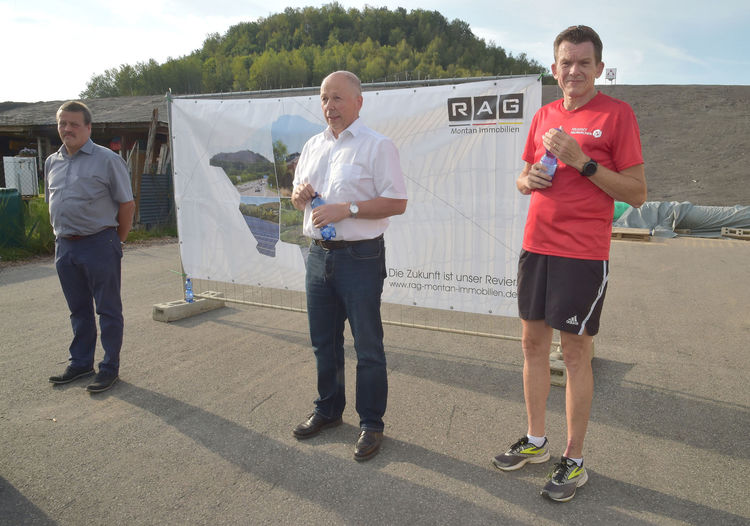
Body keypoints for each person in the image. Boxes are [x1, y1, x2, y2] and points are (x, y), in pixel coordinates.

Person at [491, 26, 646, 502]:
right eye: (565, 62)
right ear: (554, 68)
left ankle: (574, 460)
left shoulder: (617, 116)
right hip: (536, 245)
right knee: (531, 344)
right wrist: (526, 179)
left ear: (599, 68)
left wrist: (583, 162)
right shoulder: (543, 115)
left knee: (575, 353)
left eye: (583, 62)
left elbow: (638, 194)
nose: (573, 70)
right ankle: (536, 441)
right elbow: (523, 174)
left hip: (582, 254)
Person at [290, 71, 408, 461]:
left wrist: (349, 209)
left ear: (359, 102)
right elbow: (297, 199)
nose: (330, 107)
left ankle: (371, 423)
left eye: (338, 98)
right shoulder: (312, 146)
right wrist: (299, 195)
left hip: (360, 257)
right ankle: (328, 410)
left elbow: (396, 202)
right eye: (324, 99)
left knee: (368, 346)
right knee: (324, 342)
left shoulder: (378, 146)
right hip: (318, 256)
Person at [45, 101, 135, 393]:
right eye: (62, 123)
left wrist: (116, 240)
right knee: (78, 310)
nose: (67, 129)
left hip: (99, 243)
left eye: (73, 124)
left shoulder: (107, 160)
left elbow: (127, 204)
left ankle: (109, 368)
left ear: (88, 127)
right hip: (65, 246)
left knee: (107, 310)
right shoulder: (52, 162)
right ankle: (81, 363)